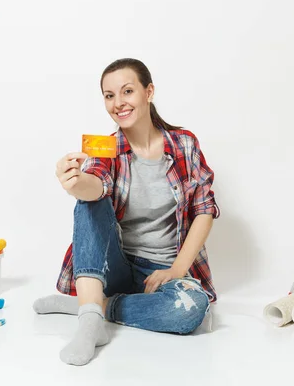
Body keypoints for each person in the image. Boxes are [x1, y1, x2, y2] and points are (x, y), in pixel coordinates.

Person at [33, 58, 221, 366]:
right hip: (114, 266)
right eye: (109, 95)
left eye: (127, 91)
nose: (118, 103)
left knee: (190, 310)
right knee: (90, 201)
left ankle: (93, 306)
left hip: (162, 271)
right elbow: (96, 184)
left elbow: (204, 210)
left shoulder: (184, 144)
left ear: (149, 92)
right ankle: (90, 321)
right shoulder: (105, 148)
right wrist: (76, 183)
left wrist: (176, 270)